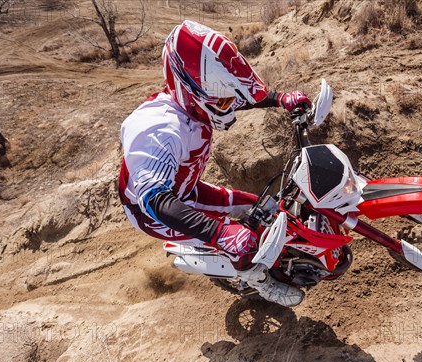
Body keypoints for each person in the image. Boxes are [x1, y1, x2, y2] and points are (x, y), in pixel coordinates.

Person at [118, 20, 310, 307]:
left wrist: (281, 99)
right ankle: (260, 281)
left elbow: (233, 96)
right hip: (155, 211)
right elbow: (155, 202)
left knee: (264, 208)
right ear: (190, 91)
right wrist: (219, 232)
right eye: (223, 104)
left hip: (186, 188)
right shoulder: (159, 131)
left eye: (228, 100)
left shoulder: (197, 100)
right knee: (244, 240)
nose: (230, 108)